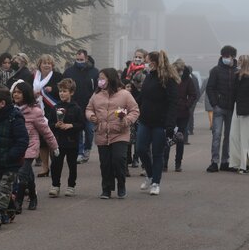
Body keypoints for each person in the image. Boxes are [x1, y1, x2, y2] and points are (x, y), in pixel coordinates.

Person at [86, 69, 139, 199]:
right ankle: (106, 189)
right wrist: (91, 116)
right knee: (105, 163)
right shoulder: (96, 95)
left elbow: (135, 110)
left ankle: (121, 185)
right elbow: (88, 109)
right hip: (102, 133)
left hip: (120, 133)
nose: (100, 81)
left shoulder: (124, 94)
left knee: (118, 160)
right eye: (99, 78)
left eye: (102, 78)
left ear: (110, 79)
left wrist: (127, 120)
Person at [136, 50, 179, 196]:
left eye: (148, 61)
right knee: (141, 149)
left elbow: (174, 103)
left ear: (155, 62)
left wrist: (170, 125)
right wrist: (132, 108)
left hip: (161, 123)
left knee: (157, 153)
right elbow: (142, 97)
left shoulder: (168, 80)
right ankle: (149, 175)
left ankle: (156, 182)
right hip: (145, 120)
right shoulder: (148, 77)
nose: (146, 64)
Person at [12, 81, 58, 211]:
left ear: (25, 94)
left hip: (30, 147)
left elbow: (45, 131)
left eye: (19, 92)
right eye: (14, 92)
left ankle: (18, 202)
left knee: (21, 175)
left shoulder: (35, 111)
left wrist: (54, 146)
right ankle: (33, 197)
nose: (16, 94)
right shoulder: (12, 109)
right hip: (17, 147)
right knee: (28, 175)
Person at [0, 90, 29, 229]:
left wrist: (11, 155)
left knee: (4, 186)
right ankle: (10, 210)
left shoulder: (14, 118)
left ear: (2, 103)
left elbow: (22, 140)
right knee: (1, 187)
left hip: (11, 162)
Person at [48, 78, 84, 197]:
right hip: (58, 141)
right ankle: (55, 185)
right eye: (60, 91)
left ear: (71, 92)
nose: (62, 93)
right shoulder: (55, 107)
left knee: (72, 164)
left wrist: (71, 125)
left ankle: (71, 186)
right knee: (55, 164)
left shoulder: (76, 108)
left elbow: (81, 124)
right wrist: (55, 125)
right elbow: (49, 124)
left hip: (72, 141)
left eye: (65, 91)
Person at [63, 49, 99, 164]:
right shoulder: (69, 72)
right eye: (77, 59)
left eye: (81, 60)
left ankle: (87, 148)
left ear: (86, 58)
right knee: (77, 131)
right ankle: (80, 152)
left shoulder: (94, 72)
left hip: (89, 106)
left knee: (89, 131)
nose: (79, 61)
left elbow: (97, 88)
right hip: (74, 106)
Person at [206, 45, 237, 172]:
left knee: (229, 136)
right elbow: (210, 88)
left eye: (228, 56)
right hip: (219, 108)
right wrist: (215, 103)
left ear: (233, 57)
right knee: (217, 135)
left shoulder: (237, 71)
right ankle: (214, 161)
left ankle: (225, 161)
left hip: (232, 108)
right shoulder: (215, 70)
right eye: (224, 56)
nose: (226, 58)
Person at [163, 59, 196, 172]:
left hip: (182, 113)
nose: (179, 72)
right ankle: (164, 163)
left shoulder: (188, 80)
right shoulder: (169, 79)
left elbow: (193, 94)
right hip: (169, 112)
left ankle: (178, 163)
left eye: (180, 70)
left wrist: (186, 105)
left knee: (180, 138)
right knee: (167, 137)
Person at [33, 54, 62, 177]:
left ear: (52, 65)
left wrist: (53, 89)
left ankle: (54, 164)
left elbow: (64, 88)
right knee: (42, 140)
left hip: (53, 111)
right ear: (39, 64)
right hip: (38, 111)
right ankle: (45, 166)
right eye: (44, 63)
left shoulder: (58, 76)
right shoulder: (33, 77)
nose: (46, 65)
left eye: (49, 63)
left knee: (52, 138)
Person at [229, 55, 249, 173]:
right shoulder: (237, 77)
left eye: (240, 61)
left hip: (246, 110)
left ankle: (245, 164)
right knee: (234, 136)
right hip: (238, 109)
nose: (238, 63)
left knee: (245, 138)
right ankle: (237, 162)